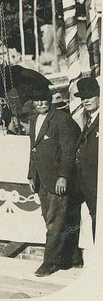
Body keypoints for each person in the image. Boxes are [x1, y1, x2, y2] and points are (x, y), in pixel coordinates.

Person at [26, 85, 81, 276]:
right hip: (42, 180)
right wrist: (31, 174)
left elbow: (68, 151)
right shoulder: (33, 120)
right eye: (36, 100)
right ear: (32, 102)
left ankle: (49, 263)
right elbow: (33, 150)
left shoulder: (62, 120)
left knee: (54, 222)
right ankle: (73, 257)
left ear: (50, 100)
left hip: (57, 180)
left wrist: (63, 176)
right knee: (52, 220)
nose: (40, 103)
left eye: (44, 99)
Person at [74, 76, 99, 237]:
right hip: (87, 181)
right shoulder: (86, 119)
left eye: (89, 95)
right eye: (83, 97)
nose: (85, 100)